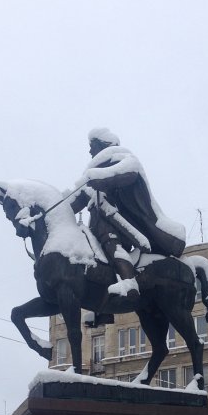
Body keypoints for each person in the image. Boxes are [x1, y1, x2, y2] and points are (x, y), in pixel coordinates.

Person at [70, 128, 186, 302]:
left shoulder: (125, 160)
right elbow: (74, 200)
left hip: (133, 228)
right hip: (112, 225)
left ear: (104, 145)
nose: (89, 151)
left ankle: (129, 282)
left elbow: (126, 174)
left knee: (109, 241)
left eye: (92, 146)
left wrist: (98, 176)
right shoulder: (91, 178)